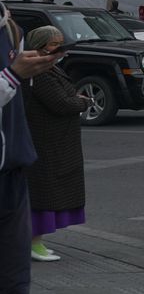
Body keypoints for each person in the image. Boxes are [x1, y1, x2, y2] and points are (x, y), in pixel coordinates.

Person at [1, 0, 59, 292]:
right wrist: (13, 75)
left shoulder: (8, 24)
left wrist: (29, 67)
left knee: (15, 280)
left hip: (12, 173)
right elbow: (8, 79)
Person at [21, 26, 88, 263]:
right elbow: (62, 102)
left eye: (60, 42)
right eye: (53, 43)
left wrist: (76, 100)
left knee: (48, 194)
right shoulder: (38, 72)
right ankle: (33, 243)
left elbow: (68, 96)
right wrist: (80, 103)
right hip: (46, 142)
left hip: (56, 142)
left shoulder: (49, 68)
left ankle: (37, 242)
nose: (59, 48)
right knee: (43, 195)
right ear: (39, 45)